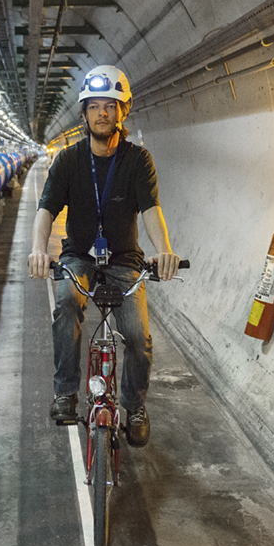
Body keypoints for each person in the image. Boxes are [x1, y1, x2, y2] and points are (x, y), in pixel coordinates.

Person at [27, 65, 180, 447]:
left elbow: (150, 211)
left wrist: (164, 251)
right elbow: (45, 210)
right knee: (65, 303)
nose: (101, 113)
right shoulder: (67, 160)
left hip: (125, 260)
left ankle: (135, 405)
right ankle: (66, 392)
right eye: (94, 106)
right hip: (78, 257)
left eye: (109, 106)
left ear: (122, 111)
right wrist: (37, 250)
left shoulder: (137, 160)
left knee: (137, 336)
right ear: (83, 114)